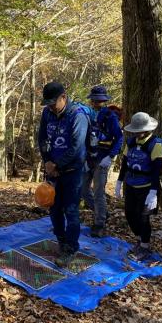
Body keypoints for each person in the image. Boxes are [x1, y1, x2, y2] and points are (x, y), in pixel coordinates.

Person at [38, 81, 89, 267]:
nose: (51, 106)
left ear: (63, 98)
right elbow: (42, 138)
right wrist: (47, 160)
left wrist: (57, 164)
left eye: (54, 102)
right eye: (48, 103)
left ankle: (71, 248)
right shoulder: (47, 113)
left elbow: (76, 146)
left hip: (72, 171)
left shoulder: (77, 115)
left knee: (71, 210)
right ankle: (61, 240)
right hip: (53, 170)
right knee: (54, 208)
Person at [114, 112, 162, 261]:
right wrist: (119, 181)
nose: (138, 134)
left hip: (147, 186)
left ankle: (145, 246)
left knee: (143, 218)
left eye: (140, 131)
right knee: (130, 213)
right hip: (130, 184)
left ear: (148, 129)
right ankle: (139, 238)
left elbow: (157, 170)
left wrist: (154, 192)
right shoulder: (130, 142)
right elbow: (124, 163)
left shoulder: (156, 144)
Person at [81, 85, 123, 238]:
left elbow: (119, 138)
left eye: (99, 101)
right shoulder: (87, 115)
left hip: (102, 157)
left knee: (98, 191)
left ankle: (99, 223)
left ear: (104, 101)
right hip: (89, 157)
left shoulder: (110, 117)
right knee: (83, 189)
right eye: (94, 101)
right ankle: (102, 212)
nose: (96, 103)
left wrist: (110, 156)